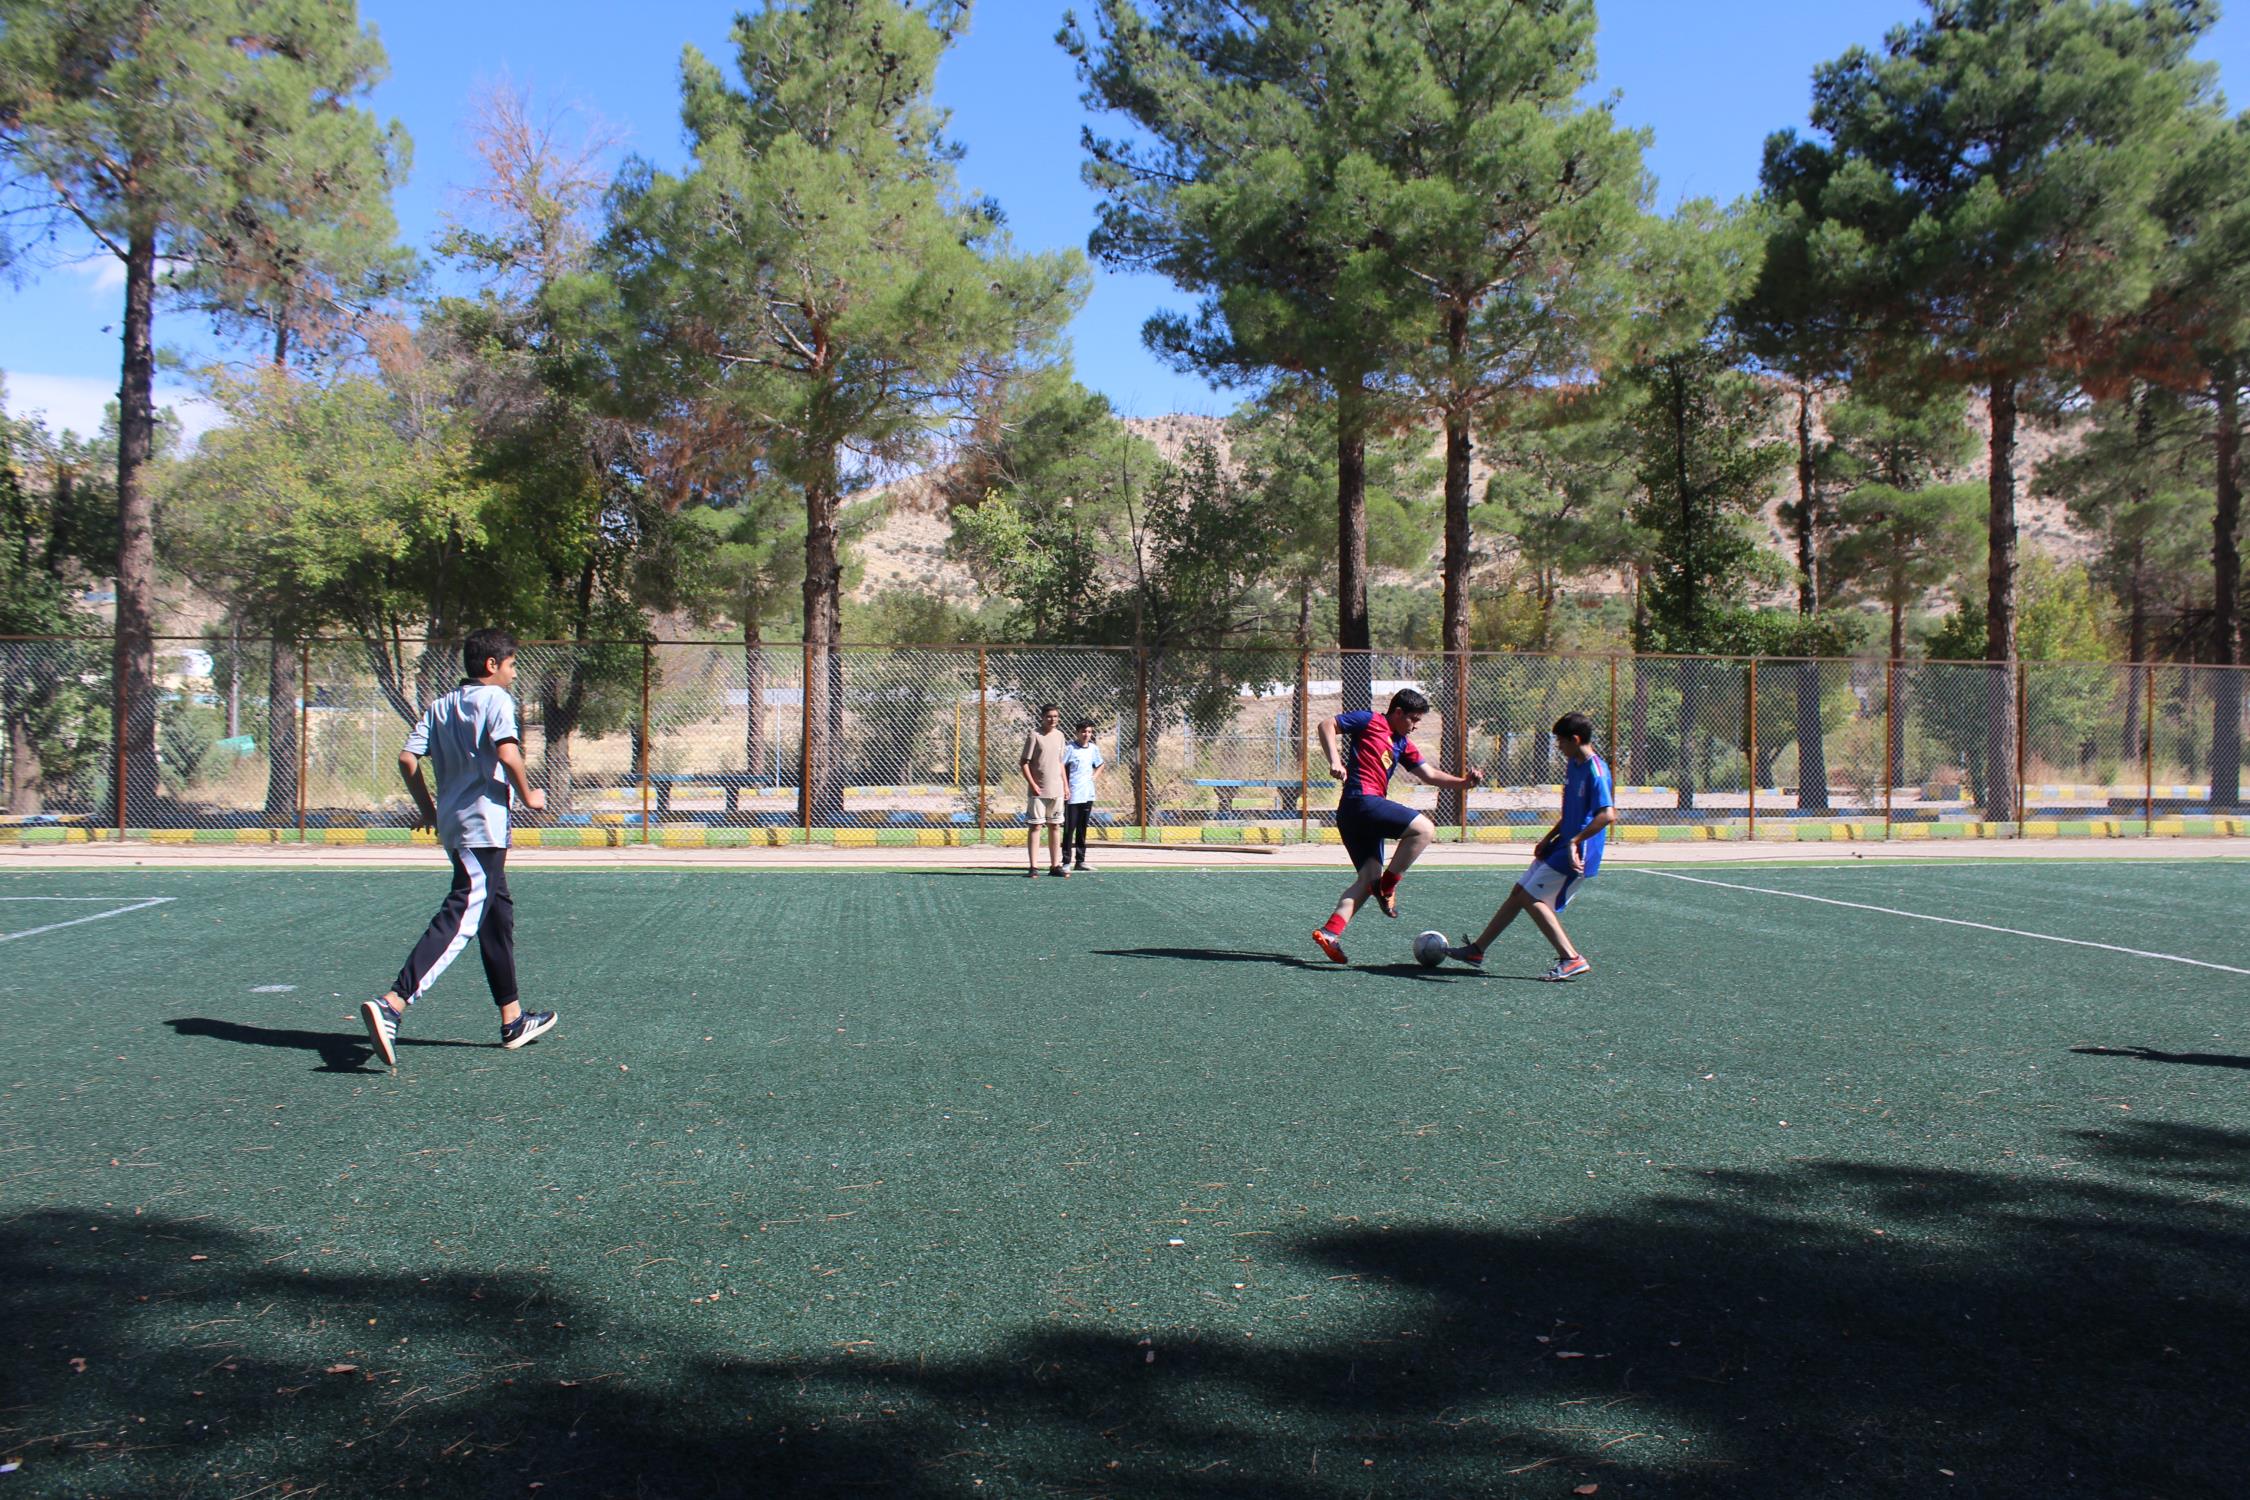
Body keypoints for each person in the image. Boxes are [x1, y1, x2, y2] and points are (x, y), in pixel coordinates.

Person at [359, 629, 557, 1069]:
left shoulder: (441, 705)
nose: (514, 673)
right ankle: (393, 1003)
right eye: (512, 665)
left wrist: (428, 810)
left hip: (455, 825)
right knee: (464, 909)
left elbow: (407, 758)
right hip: (483, 827)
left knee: (496, 915)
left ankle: (513, 1020)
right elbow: (508, 754)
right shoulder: (497, 700)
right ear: (492, 665)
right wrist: (530, 795)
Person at [1310, 687, 1482, 964]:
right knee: (1424, 829)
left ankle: (1330, 933)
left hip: (1354, 813)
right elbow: (1326, 724)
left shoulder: (1402, 743)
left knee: (1367, 880)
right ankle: (1387, 887)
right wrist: (1335, 760)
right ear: (1398, 712)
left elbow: (1429, 774)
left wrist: (1464, 783)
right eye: (1413, 719)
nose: (1415, 726)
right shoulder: (1369, 720)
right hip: (1362, 802)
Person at [1446, 710, 1615, 981]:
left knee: (1531, 898)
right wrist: (1549, 838)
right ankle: (1477, 950)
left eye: (1561, 742)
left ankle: (1571, 958)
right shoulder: (1574, 764)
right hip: (1562, 845)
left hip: (1578, 851)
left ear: (1575, 739)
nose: (1558, 747)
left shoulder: (1597, 771)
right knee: (1519, 893)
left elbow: (1607, 815)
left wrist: (1574, 841)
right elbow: (1572, 812)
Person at [1019, 702, 1069, 878]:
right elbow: (1024, 763)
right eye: (1049, 716)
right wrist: (1033, 784)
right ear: (1042, 717)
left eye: (1055, 716)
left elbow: (1060, 762)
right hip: (1038, 792)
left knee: (1055, 826)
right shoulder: (1034, 735)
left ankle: (1055, 865)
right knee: (1036, 826)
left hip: (1056, 790)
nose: (1052, 719)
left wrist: (1065, 785)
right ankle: (1033, 867)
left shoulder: (1060, 736)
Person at [1060, 718, 1104, 872]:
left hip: (1087, 795)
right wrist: (1065, 786)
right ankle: (1066, 861)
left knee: (1082, 828)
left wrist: (1094, 777)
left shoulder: (1093, 749)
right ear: (1077, 732)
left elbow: (1100, 764)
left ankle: (1080, 860)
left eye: (1089, 731)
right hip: (1073, 795)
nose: (1086, 734)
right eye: (1083, 731)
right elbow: (1061, 766)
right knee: (1069, 829)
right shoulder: (1070, 749)